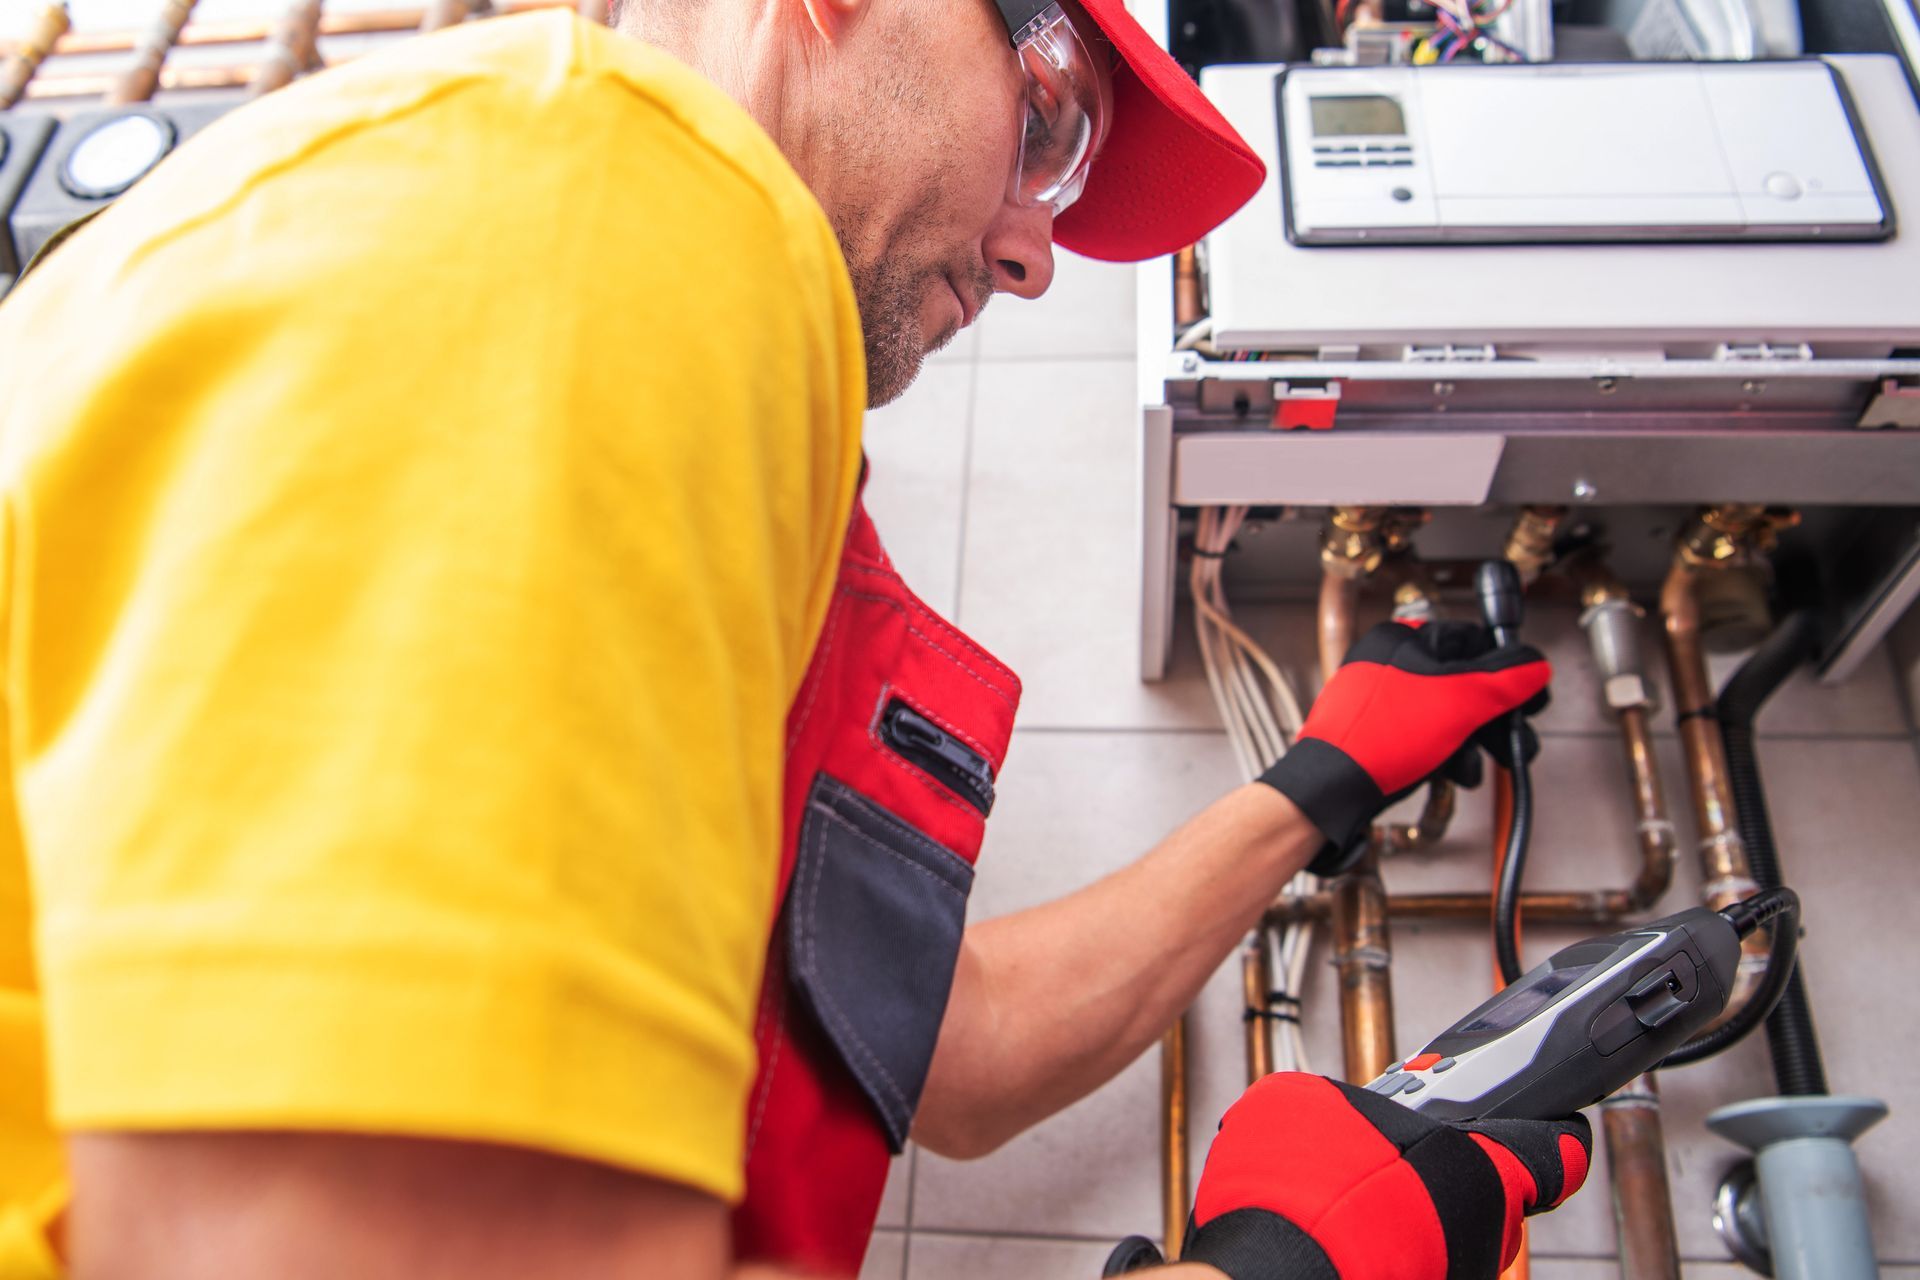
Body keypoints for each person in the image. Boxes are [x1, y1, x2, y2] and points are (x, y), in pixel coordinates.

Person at [0, 0, 1587, 1274]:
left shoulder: (648, 345)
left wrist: (1315, 783)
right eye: (1046, 116)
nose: (1039, 253)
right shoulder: (586, 218)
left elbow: (929, 1051)